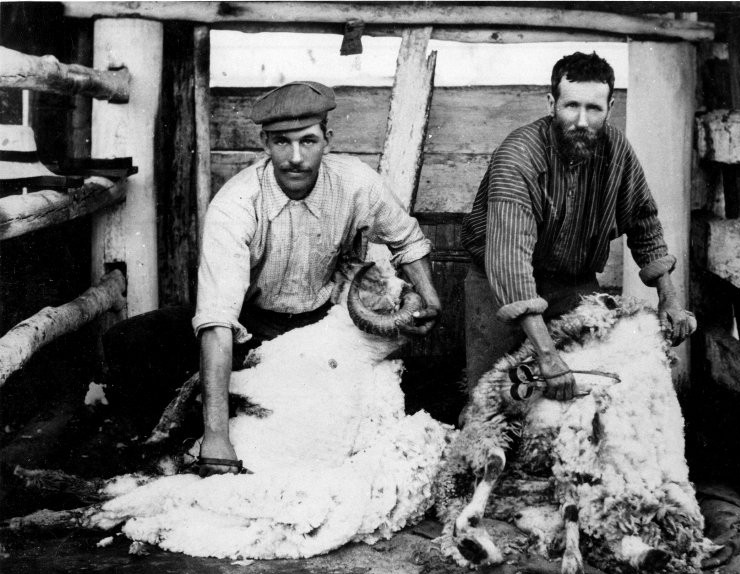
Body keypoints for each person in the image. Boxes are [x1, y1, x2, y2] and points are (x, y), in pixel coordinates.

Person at [105, 81, 441, 476]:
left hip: (320, 325)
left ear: (328, 140)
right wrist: (217, 438)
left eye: (308, 141)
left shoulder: (355, 182)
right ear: (264, 143)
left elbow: (408, 239)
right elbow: (217, 319)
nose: (296, 157)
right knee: (128, 341)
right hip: (249, 325)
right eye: (282, 142)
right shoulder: (236, 203)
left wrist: (431, 299)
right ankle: (150, 455)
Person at [461, 52, 696, 400]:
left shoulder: (617, 150)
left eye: (594, 108)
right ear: (551, 103)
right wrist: (547, 355)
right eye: (571, 106)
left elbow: (643, 221)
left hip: (574, 283)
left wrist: (669, 297)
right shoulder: (518, 157)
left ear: (610, 107)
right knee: (494, 399)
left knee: (586, 396)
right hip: (501, 286)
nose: (582, 120)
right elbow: (510, 263)